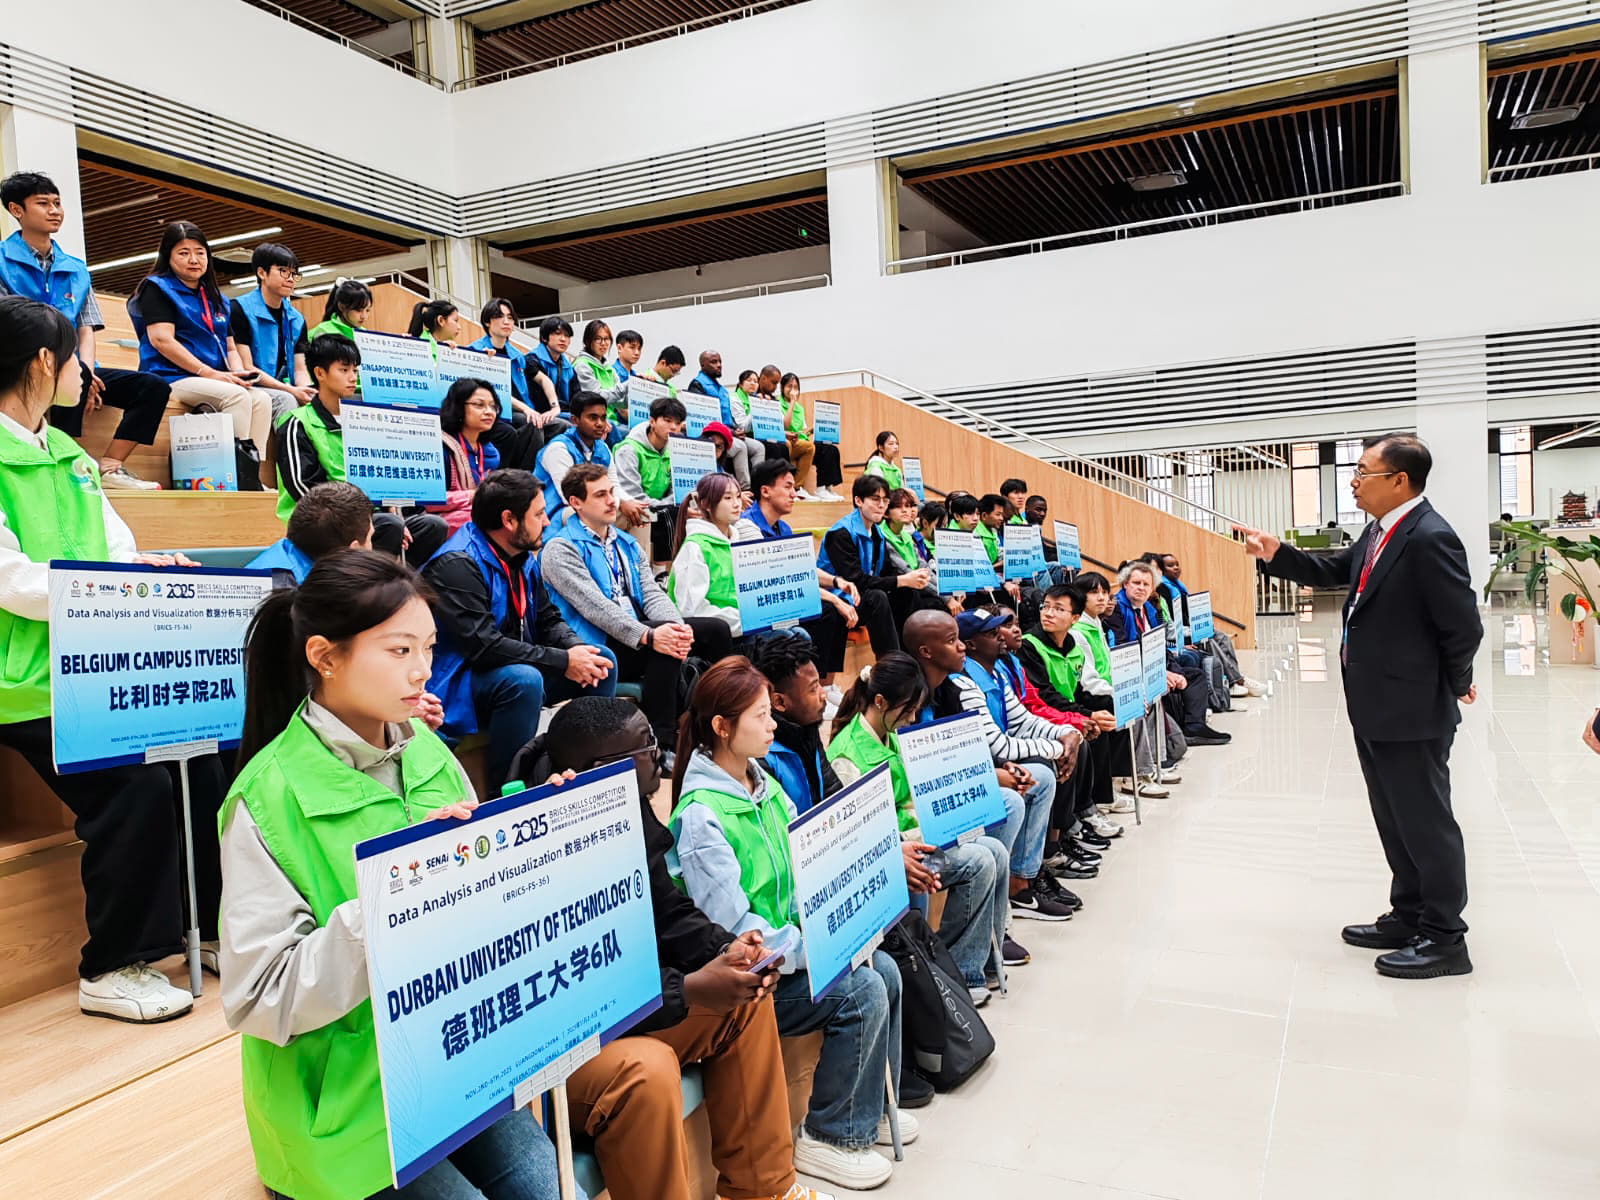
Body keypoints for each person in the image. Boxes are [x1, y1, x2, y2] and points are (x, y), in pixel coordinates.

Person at [220, 549, 565, 1200]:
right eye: (399, 650)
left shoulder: (428, 749)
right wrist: (400, 895)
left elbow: (478, 892)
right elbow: (259, 997)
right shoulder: (264, 801)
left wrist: (536, 835)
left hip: (451, 1060)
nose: (423, 671)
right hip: (346, 1107)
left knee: (547, 1187)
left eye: (429, 649)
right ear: (325, 656)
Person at [0, 295, 227, 1023]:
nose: (86, 373)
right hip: (24, 683)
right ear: (43, 363)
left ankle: (207, 927)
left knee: (201, 761)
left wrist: (146, 565)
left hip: (96, 664)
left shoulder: (66, 453)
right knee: (132, 787)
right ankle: (111, 964)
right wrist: (99, 589)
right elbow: (11, 580)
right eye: (75, 359)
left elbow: (116, 543)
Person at [506, 698, 830, 1200]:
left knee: (745, 998)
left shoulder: (627, 809)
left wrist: (729, 949)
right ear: (602, 768)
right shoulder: (533, 845)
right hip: (559, 1045)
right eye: (645, 746)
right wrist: (690, 989)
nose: (658, 754)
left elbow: (671, 914)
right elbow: (576, 987)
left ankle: (764, 1190)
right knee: (647, 1071)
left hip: (631, 1006)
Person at [1235, 433, 1482, 979]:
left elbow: (1462, 625)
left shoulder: (1429, 537)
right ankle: (1410, 912)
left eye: (1364, 471)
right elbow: (1334, 571)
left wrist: (1453, 681)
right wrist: (1278, 555)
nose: (1353, 479)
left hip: (1412, 707)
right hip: (1376, 702)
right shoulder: (1381, 530)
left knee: (1426, 821)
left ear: (1399, 480)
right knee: (1395, 818)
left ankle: (1445, 937)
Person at [669, 658, 911, 1191]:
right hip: (756, 975)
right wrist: (817, 945)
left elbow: (803, 873)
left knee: (885, 969)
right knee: (861, 990)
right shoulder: (700, 815)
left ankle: (864, 1109)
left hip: (798, 947)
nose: (773, 723)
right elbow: (734, 928)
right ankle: (829, 1135)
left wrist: (838, 922)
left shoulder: (765, 784)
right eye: (760, 715)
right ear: (722, 727)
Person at [827, 653, 1011, 1003]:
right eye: (907, 709)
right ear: (880, 702)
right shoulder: (846, 754)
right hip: (894, 850)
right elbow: (864, 834)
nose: (912, 718)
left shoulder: (889, 733)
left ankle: (967, 963)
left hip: (920, 836)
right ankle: (952, 973)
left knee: (996, 851)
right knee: (979, 862)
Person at [422, 469, 615, 796]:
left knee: (600, 660)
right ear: (509, 520)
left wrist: (576, 650)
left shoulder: (522, 556)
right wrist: (562, 660)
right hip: (461, 682)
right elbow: (483, 646)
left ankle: (585, 771)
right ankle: (509, 792)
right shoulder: (457, 563)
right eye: (539, 514)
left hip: (508, 666)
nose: (546, 521)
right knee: (523, 681)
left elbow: (548, 618)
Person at [0, 171, 170, 490]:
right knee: (72, 374)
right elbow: (9, 326)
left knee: (153, 387)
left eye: (57, 203)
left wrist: (88, 371)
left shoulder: (76, 268)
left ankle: (110, 467)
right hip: (19, 364)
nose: (55, 210)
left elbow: (86, 327)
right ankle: (65, 466)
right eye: (43, 203)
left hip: (73, 365)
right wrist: (73, 368)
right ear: (16, 210)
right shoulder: (1, 260)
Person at [901, 609, 1070, 923]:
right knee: (1002, 813)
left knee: (1033, 781)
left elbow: (972, 753)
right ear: (926, 652)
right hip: (921, 822)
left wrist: (1000, 768)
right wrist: (992, 776)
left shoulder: (955, 690)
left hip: (948, 799)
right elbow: (924, 776)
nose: (961, 647)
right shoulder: (910, 699)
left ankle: (1018, 886)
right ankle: (986, 922)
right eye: (953, 641)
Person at [542, 462, 727, 745]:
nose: (611, 500)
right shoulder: (560, 548)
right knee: (663, 645)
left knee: (716, 630)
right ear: (575, 503)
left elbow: (652, 593)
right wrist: (650, 635)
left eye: (612, 492)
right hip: (597, 640)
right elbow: (595, 608)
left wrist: (676, 626)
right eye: (600, 495)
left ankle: (719, 715)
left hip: (638, 629)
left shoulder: (626, 543)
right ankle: (661, 741)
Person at [275, 333, 448, 568]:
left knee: (433, 526)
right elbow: (303, 489)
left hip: (370, 517)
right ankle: (375, 586)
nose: (351, 378)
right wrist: (367, 520)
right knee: (389, 527)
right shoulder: (297, 423)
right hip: (322, 522)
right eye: (343, 370)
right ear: (319, 373)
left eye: (355, 371)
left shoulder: (364, 419)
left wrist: (393, 513)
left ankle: (395, 582)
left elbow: (382, 479)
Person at [955, 608, 1090, 904]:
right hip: (982, 766)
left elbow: (1022, 720)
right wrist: (1059, 747)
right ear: (972, 644)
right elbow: (999, 747)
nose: (1005, 634)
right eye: (993, 633)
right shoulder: (964, 682)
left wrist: (1068, 733)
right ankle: (1019, 881)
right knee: (1041, 775)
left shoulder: (997, 671)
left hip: (999, 759)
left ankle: (1030, 871)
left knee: (1066, 752)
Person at [129, 220, 274, 484]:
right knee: (237, 397)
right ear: (168, 257)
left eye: (200, 252)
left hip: (210, 376)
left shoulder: (213, 296)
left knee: (261, 399)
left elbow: (230, 346)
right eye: (183, 253)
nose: (194, 259)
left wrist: (236, 371)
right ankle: (236, 476)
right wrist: (209, 373)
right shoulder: (157, 288)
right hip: (170, 376)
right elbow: (161, 340)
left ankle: (251, 474)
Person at [742, 458, 860, 691]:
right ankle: (813, 687)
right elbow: (778, 581)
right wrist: (833, 598)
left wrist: (837, 582)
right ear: (765, 491)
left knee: (834, 608)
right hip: (762, 607)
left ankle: (826, 687)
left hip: (784, 601)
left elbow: (802, 568)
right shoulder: (748, 528)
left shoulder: (783, 528)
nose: (794, 494)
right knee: (827, 609)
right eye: (787, 487)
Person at [1107, 560, 1227, 747]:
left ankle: (1194, 727)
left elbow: (1158, 646)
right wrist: (1162, 674)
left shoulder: (1148, 609)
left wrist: (1174, 671)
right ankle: (1170, 742)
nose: (1141, 588)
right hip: (1131, 672)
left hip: (1153, 666)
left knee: (1195, 676)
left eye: (1146, 584)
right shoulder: (1116, 609)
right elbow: (1124, 651)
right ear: (1125, 584)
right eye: (1136, 583)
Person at [816, 474, 926, 655]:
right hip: (839, 599)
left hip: (861, 595)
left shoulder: (876, 532)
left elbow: (885, 571)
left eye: (885, 500)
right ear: (858, 501)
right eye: (875, 499)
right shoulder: (841, 533)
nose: (882, 505)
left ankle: (911, 656)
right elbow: (857, 581)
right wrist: (902, 579)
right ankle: (891, 663)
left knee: (908, 593)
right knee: (877, 597)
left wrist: (911, 579)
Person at [750, 631, 840, 816]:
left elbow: (832, 791)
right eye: (814, 688)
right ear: (779, 702)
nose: (823, 694)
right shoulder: (760, 755)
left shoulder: (806, 728)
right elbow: (782, 827)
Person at [467, 298, 561, 472]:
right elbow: (494, 393)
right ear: (487, 321)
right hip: (500, 412)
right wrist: (527, 410)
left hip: (523, 411)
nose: (506, 321)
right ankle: (524, 480)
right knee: (533, 425)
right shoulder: (476, 352)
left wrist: (554, 408)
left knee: (563, 426)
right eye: (500, 316)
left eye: (510, 317)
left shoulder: (516, 355)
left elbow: (543, 380)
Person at [668, 471, 761, 644]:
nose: (736, 504)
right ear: (706, 504)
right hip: (720, 638)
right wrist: (748, 621)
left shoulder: (737, 541)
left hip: (745, 626)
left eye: (738, 497)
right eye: (727, 498)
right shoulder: (695, 547)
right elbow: (692, 611)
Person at [1155, 551, 1265, 698]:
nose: (1176, 568)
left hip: (1186, 629)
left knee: (1223, 637)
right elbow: (1170, 625)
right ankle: (1237, 680)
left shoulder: (1178, 586)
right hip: (1177, 635)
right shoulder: (1162, 589)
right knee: (1210, 639)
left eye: (1177, 564)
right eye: (1170, 565)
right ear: (1161, 570)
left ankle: (1234, 680)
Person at [228, 242, 312, 422]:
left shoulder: (296, 319)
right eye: (283, 271)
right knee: (286, 400)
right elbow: (247, 368)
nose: (290, 278)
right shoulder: (238, 309)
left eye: (294, 273)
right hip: (247, 387)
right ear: (261, 273)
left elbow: (300, 370)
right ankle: (288, 451)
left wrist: (308, 391)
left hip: (280, 387)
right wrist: (291, 390)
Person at [249, 480, 375, 583]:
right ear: (353, 551)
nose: (372, 548)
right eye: (370, 538)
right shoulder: (307, 602)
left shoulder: (279, 557)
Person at [613, 392, 686, 562]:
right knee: (650, 514)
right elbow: (633, 496)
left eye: (677, 423)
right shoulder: (629, 450)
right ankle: (653, 572)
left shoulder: (675, 449)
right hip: (635, 507)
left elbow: (676, 490)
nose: (673, 427)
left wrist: (673, 505)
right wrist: (669, 507)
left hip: (662, 506)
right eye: (667, 421)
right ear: (652, 421)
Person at [533, 389, 612, 524]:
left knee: (640, 513)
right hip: (556, 513)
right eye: (593, 417)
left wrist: (623, 503)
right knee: (588, 511)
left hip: (593, 504)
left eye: (603, 418)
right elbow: (568, 496)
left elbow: (614, 486)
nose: (600, 423)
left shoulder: (602, 448)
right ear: (574, 420)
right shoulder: (558, 448)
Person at [687, 350, 762, 488]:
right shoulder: (697, 385)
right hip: (712, 436)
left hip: (728, 432)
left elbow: (727, 417)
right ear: (703, 365)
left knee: (758, 447)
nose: (719, 365)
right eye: (714, 362)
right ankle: (746, 489)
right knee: (740, 447)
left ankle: (758, 486)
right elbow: (705, 417)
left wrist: (736, 430)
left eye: (720, 361)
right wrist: (731, 433)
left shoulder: (721, 389)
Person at [437, 377, 501, 531]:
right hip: (443, 518)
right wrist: (473, 496)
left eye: (493, 407)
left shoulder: (490, 453)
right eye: (479, 405)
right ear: (458, 407)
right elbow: (430, 501)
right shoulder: (441, 447)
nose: (488, 412)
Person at [879, 486, 951, 622]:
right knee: (935, 604)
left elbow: (923, 566)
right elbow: (904, 571)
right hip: (898, 590)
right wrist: (946, 598)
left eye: (908, 506)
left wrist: (946, 591)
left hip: (917, 585)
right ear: (886, 513)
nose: (906, 510)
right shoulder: (882, 537)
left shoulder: (907, 536)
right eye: (899, 507)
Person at [779, 370, 838, 499]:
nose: (793, 390)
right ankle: (784, 486)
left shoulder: (800, 409)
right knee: (787, 444)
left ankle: (798, 487)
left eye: (796, 387)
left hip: (797, 441)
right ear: (782, 388)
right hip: (783, 440)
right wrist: (792, 403)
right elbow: (785, 425)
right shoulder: (777, 403)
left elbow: (801, 431)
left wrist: (811, 431)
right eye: (789, 386)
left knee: (810, 446)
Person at [573, 320, 629, 446]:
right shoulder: (582, 365)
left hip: (612, 420)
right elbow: (596, 398)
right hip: (595, 419)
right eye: (598, 339)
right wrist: (627, 385)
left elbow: (619, 402)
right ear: (588, 341)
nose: (603, 343)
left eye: (607, 339)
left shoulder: (609, 368)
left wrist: (637, 387)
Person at [530, 316, 577, 414]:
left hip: (565, 412)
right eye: (557, 334)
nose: (563, 339)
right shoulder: (532, 360)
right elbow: (539, 400)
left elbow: (576, 397)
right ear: (544, 338)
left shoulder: (569, 368)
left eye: (567, 335)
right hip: (541, 414)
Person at [306, 277, 371, 342]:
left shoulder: (364, 333)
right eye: (358, 310)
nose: (364, 316)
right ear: (341, 307)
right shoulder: (324, 332)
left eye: (367, 310)